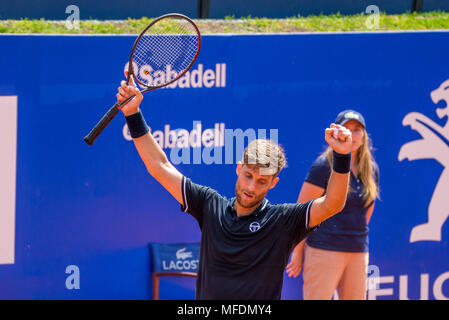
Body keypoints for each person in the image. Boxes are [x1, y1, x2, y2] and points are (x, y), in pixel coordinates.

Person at [117, 72, 354, 300]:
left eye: (262, 181)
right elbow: (160, 166)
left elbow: (332, 204)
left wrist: (342, 156)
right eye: (248, 175)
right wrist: (133, 114)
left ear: (274, 183)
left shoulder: (283, 220)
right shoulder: (210, 205)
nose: (251, 187)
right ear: (239, 168)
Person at [286, 110, 379, 300]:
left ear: (364, 136)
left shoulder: (371, 169)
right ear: (336, 133)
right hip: (323, 250)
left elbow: (366, 211)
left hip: (357, 252)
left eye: (357, 130)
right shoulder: (323, 166)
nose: (352, 135)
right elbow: (303, 211)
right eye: (347, 129)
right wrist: (297, 252)